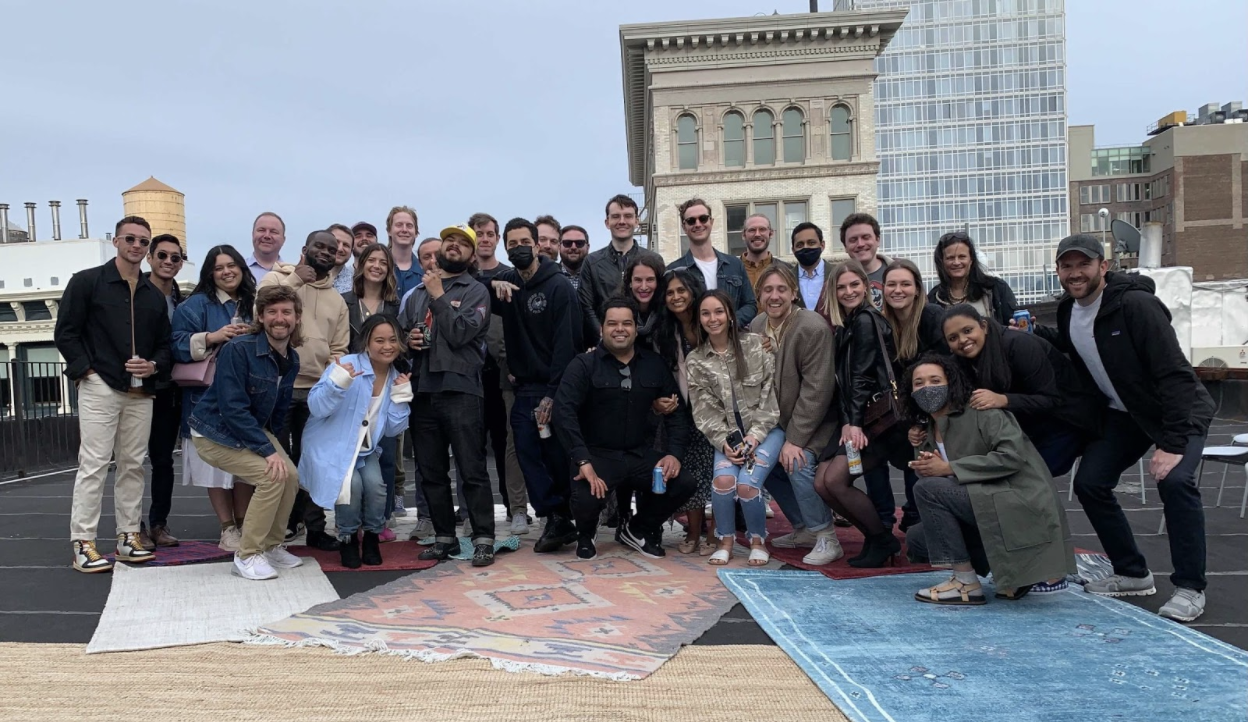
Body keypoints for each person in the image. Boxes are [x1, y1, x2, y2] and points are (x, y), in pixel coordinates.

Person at [1046, 234, 1214, 622]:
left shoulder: (1136, 306)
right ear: (1058, 271)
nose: (1075, 273)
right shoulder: (1068, 311)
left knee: (1174, 482)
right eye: (1067, 266)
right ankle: (1132, 572)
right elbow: (1080, 353)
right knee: (1090, 482)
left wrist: (1172, 444)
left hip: (1179, 410)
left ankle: (1190, 588)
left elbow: (1174, 374)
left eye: (1083, 264)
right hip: (1126, 414)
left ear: (1103, 267)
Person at [902, 354, 1075, 604]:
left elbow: (1012, 456)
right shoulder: (926, 427)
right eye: (919, 383)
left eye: (935, 380)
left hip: (1016, 499)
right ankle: (1011, 572)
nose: (927, 387)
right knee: (918, 538)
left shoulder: (982, 412)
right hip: (983, 499)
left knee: (927, 489)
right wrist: (921, 452)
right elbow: (931, 475)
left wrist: (949, 468)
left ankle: (965, 582)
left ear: (951, 382)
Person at [55, 216, 169, 572]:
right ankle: (83, 542)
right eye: (130, 239)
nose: (137, 246)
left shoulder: (154, 295)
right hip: (100, 385)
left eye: (143, 241)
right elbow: (66, 333)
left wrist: (153, 366)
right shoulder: (87, 282)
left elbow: (165, 345)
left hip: (141, 392)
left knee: (134, 466)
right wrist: (86, 372)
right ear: (117, 241)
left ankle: (127, 536)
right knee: (94, 465)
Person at [554, 298, 696, 560]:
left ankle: (637, 528)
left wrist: (674, 454)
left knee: (683, 482)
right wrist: (581, 459)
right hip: (597, 456)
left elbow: (677, 415)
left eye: (627, 323)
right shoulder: (583, 365)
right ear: (601, 329)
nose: (620, 329)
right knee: (585, 498)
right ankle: (586, 533)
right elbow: (564, 414)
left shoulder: (654, 364)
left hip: (638, 455)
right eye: (612, 323)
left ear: (635, 328)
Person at [189, 285, 303, 580]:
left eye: (286, 312)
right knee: (270, 476)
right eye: (272, 312)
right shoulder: (238, 349)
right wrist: (266, 451)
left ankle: (271, 545)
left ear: (297, 317)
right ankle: (248, 554)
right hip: (214, 432)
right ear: (261, 317)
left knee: (290, 476)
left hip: (252, 429)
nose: (280, 318)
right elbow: (232, 408)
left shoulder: (292, 358)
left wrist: (276, 448)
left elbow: (277, 411)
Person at [400, 224, 497, 565]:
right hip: (424, 388)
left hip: (461, 388)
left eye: (463, 244)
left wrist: (439, 294)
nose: (454, 247)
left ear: (472, 256)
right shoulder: (416, 292)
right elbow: (402, 336)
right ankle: (445, 537)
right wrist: (408, 341)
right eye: (449, 241)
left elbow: (460, 333)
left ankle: (483, 535)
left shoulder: (476, 290)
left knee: (471, 468)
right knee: (431, 470)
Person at [490, 217, 584, 553]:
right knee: (527, 451)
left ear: (537, 244)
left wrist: (554, 394)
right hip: (523, 387)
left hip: (554, 386)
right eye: (512, 244)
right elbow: (477, 283)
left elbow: (567, 344)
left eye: (523, 242)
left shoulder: (558, 287)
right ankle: (553, 515)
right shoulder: (507, 285)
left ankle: (565, 516)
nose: (518, 249)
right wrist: (493, 287)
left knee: (556, 455)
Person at [812, 261, 911, 568]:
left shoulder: (867, 319)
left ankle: (882, 539)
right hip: (856, 418)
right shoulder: (849, 324)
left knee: (836, 481)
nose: (848, 291)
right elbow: (845, 382)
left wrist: (853, 424)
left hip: (874, 423)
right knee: (821, 483)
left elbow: (863, 378)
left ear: (866, 287)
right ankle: (876, 536)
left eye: (854, 285)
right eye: (841, 287)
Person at [259, 230, 350, 551]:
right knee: (280, 461)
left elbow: (339, 347)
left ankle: (315, 527)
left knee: (314, 463)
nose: (325, 253)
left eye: (331, 249)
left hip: (316, 392)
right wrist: (295, 280)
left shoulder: (337, 299)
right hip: (279, 387)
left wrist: (331, 385)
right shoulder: (277, 278)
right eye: (319, 247)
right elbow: (263, 307)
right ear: (304, 249)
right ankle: (279, 525)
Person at [300, 315, 412, 569]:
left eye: (393, 340)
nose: (387, 346)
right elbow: (316, 406)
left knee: (376, 487)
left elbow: (394, 429)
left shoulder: (396, 375)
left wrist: (401, 398)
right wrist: (338, 383)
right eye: (379, 340)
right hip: (331, 445)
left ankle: (371, 536)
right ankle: (348, 538)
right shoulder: (348, 364)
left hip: (363, 449)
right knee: (350, 487)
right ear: (366, 342)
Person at [747, 266, 840, 565]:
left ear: (794, 292)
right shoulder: (757, 325)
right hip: (777, 421)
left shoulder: (811, 327)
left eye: (781, 289)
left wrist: (795, 440)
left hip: (817, 420)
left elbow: (818, 389)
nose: (775, 296)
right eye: (768, 290)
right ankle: (803, 528)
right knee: (763, 461)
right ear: (759, 295)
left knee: (796, 462)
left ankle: (827, 535)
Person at [943, 304, 1100, 477]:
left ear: (984, 326)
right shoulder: (959, 362)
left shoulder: (1019, 344)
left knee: (1023, 478)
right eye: (953, 338)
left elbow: (1050, 399)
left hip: (1065, 421)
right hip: (1022, 428)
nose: (963, 340)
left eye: (967, 330)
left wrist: (1004, 400)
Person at [171, 244, 256, 552]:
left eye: (232, 265)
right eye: (219, 267)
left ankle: (246, 521)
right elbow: (176, 344)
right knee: (215, 467)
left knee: (246, 462)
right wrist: (213, 337)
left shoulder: (253, 302)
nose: (226, 272)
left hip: (246, 396)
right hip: (206, 397)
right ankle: (227, 527)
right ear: (210, 272)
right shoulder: (194, 306)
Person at [688, 290, 781, 566]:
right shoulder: (696, 360)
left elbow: (770, 394)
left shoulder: (755, 345)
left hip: (766, 431)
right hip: (728, 438)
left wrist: (755, 436)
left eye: (718, 311)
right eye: (705, 313)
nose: (712, 318)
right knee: (723, 481)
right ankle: (725, 540)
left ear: (729, 315)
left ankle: (757, 540)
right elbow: (703, 410)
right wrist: (723, 442)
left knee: (747, 486)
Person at [469, 211, 527, 536]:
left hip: (505, 370)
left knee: (507, 439)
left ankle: (513, 506)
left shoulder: (511, 274)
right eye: (479, 233)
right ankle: (473, 511)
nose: (485, 238)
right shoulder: (466, 276)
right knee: (474, 443)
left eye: (490, 233)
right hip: (474, 372)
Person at [879, 259, 948, 530]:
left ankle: (922, 518)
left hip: (938, 404)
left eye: (905, 284)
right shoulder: (885, 325)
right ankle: (907, 515)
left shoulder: (932, 317)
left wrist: (922, 421)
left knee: (921, 450)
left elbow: (945, 370)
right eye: (892, 284)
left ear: (917, 289)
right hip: (907, 409)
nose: (898, 290)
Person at [653, 268, 716, 555]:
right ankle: (693, 533)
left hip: (717, 411)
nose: (676, 297)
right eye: (670, 292)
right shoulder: (665, 330)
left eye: (681, 290)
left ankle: (715, 534)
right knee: (691, 474)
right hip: (683, 412)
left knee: (716, 474)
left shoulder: (709, 320)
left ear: (692, 291)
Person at [140, 234, 185, 549]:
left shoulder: (181, 300)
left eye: (175, 257)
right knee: (130, 461)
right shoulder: (134, 294)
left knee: (163, 460)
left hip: (169, 388)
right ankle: (133, 527)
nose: (168, 262)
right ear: (150, 258)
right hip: (136, 387)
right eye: (163, 256)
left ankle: (158, 524)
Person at [580, 194, 664, 335]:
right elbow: (586, 306)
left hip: (648, 341)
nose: (622, 221)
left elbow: (660, 302)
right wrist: (603, 333)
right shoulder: (592, 262)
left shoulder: (654, 260)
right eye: (616, 216)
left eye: (628, 216)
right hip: (607, 341)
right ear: (607, 222)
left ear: (636, 221)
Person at [667, 199, 757, 326]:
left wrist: (729, 323)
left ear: (711, 221)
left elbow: (750, 305)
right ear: (684, 227)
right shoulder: (674, 270)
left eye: (703, 218)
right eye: (691, 221)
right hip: (694, 343)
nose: (698, 224)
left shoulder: (735, 264)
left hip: (731, 341)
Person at [927, 231, 1019, 325]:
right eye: (950, 258)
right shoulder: (934, 298)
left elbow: (1015, 325)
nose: (956, 262)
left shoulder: (996, 289)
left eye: (962, 257)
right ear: (942, 262)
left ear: (971, 260)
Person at [342, 243, 401, 348]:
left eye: (383, 263)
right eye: (371, 260)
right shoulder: (343, 302)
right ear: (362, 264)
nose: (377, 266)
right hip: (350, 363)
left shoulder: (397, 307)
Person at [838, 213, 893, 310]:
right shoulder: (833, 283)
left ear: (878, 240)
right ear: (845, 247)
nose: (860, 244)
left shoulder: (903, 273)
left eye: (866, 237)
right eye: (853, 240)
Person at [621, 253, 667, 346]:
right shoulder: (618, 311)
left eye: (650, 280)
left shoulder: (668, 312)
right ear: (630, 282)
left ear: (658, 282)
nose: (644, 287)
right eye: (638, 280)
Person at [739, 214, 794, 291]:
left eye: (762, 229)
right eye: (752, 230)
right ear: (743, 235)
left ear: (771, 233)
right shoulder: (729, 270)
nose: (757, 234)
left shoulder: (788, 270)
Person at [791, 222, 832, 313]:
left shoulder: (837, 274)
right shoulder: (786, 278)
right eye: (800, 245)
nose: (806, 247)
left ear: (822, 245)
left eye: (811, 243)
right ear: (793, 250)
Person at [386, 205, 424, 300]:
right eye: (399, 225)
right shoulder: (379, 267)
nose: (404, 230)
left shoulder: (424, 271)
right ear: (389, 231)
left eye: (409, 226)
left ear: (416, 233)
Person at [246, 212, 286, 283]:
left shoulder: (291, 273)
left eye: (273, 232)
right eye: (261, 230)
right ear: (252, 235)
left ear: (283, 240)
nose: (267, 236)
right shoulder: (239, 271)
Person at [328, 223, 356, 294]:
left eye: (346, 245)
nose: (340, 249)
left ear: (351, 252)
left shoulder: (357, 283)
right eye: (336, 242)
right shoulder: (304, 274)